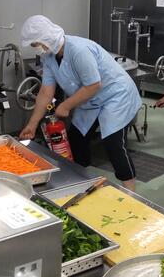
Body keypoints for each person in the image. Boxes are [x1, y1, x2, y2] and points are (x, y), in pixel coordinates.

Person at [18, 15, 141, 191]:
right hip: (89, 98)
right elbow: (46, 92)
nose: (36, 49)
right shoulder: (49, 58)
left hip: (115, 95)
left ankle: (131, 192)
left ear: (46, 38)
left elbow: (94, 85)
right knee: (77, 139)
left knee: (113, 144)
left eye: (35, 44)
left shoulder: (78, 50)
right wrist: (32, 124)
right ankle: (83, 182)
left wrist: (66, 105)